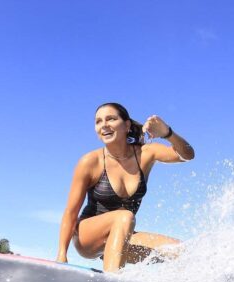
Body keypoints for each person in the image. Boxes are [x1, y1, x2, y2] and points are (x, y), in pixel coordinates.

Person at [56, 103, 195, 272]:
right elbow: (71, 212)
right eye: (98, 121)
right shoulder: (90, 162)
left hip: (121, 236)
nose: (104, 125)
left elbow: (187, 155)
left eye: (111, 119)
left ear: (127, 125)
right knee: (124, 217)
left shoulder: (145, 154)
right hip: (87, 237)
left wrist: (168, 133)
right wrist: (61, 256)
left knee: (180, 250)